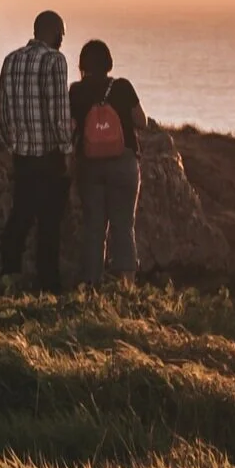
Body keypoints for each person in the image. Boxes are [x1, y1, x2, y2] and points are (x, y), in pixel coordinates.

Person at [0, 10, 73, 289]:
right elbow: (58, 113)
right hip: (49, 157)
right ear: (51, 32)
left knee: (22, 214)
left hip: (22, 155)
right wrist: (67, 148)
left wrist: (11, 143)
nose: (63, 39)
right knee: (49, 224)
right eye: (61, 32)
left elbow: (1, 111)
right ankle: (47, 283)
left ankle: (8, 272)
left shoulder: (11, 60)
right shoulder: (54, 61)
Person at [66, 39, 146, 287]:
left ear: (82, 65)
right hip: (123, 163)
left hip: (90, 164)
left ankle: (91, 283)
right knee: (123, 225)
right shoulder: (122, 86)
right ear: (108, 63)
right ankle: (127, 283)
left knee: (94, 226)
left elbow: (70, 127)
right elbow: (141, 121)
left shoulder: (76, 91)